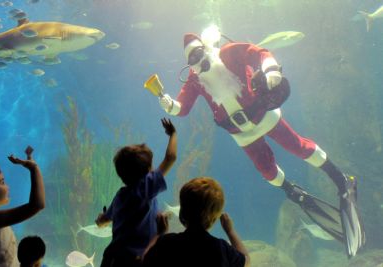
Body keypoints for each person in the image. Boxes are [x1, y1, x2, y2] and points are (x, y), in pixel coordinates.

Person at [155, 29, 365, 257]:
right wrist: (168, 104)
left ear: (206, 48)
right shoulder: (196, 80)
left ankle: (341, 180)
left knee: (298, 146)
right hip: (241, 133)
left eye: (198, 54)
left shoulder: (228, 53)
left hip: (264, 116)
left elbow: (258, 53)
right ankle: (292, 191)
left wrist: (271, 69)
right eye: (192, 60)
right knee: (267, 170)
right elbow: (182, 108)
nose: (197, 62)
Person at [95, 118, 177, 267]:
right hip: (136, 259)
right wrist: (173, 134)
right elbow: (170, 158)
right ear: (147, 172)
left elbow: (105, 220)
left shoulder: (120, 196)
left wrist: (100, 220)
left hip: (112, 257)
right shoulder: (145, 187)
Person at [142, 177, 249, 267]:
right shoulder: (221, 249)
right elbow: (246, 260)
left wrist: (159, 234)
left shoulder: (167, 242)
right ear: (214, 218)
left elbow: (145, 259)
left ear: (182, 213)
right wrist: (230, 231)